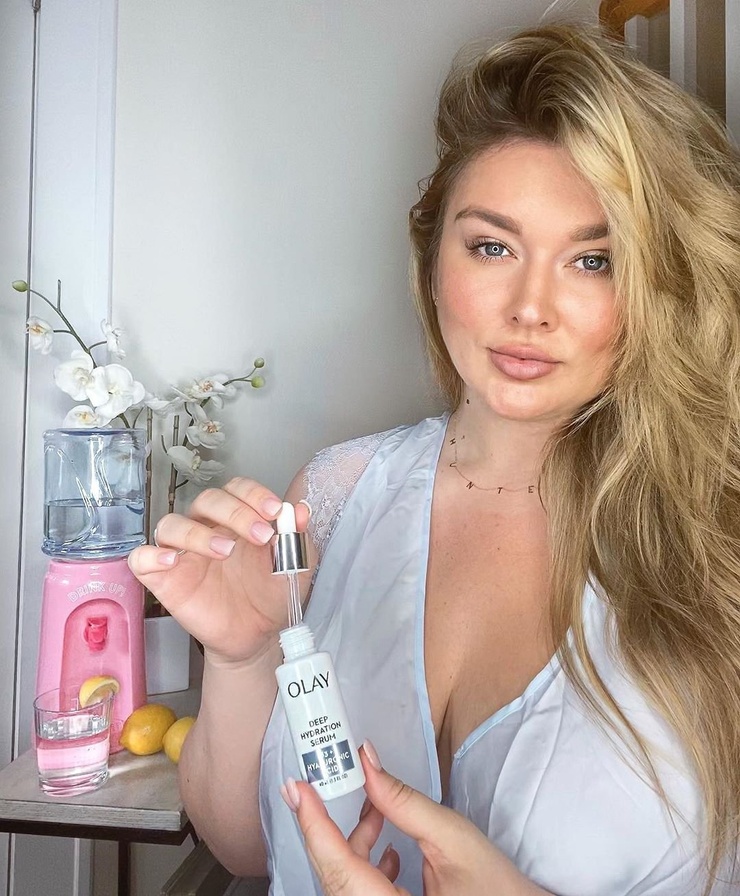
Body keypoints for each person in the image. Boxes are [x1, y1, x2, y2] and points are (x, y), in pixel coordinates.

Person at [128, 22, 740, 896]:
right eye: (492, 246)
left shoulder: (720, 539)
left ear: (656, 284)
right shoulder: (333, 497)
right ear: (432, 260)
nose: (531, 307)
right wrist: (239, 659)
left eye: (593, 260)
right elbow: (251, 849)